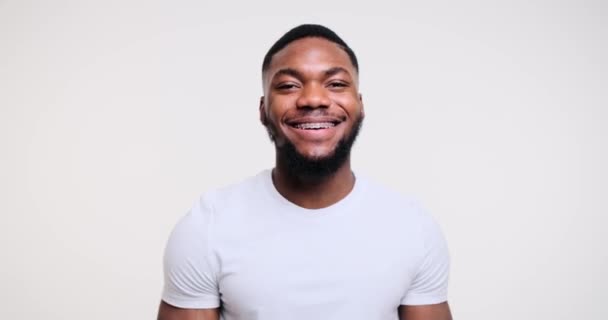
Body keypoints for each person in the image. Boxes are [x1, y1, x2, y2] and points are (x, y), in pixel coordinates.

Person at [157, 24, 452, 320]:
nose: (313, 99)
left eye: (336, 84)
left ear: (360, 105)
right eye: (288, 85)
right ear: (263, 109)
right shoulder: (207, 227)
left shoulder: (412, 227)